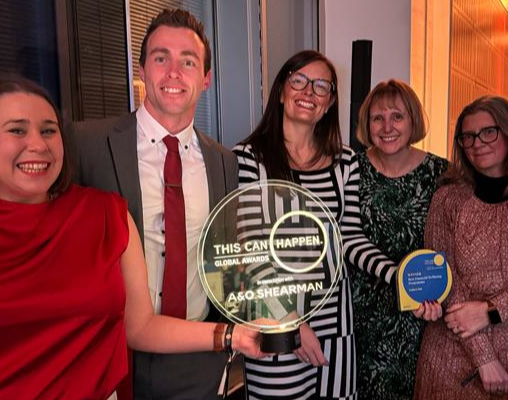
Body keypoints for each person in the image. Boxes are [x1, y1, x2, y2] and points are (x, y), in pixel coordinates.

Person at [0, 75, 263, 400]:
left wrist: (234, 335)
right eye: (17, 130)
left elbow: (139, 327)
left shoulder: (104, 214)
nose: (37, 144)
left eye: (49, 131)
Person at [70, 9, 241, 400]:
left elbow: (225, 258)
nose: (174, 72)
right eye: (161, 58)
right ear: (143, 70)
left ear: (206, 78)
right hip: (111, 359)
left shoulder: (223, 162)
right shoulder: (86, 145)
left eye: (188, 61)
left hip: (199, 356)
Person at [233, 50, 399, 400]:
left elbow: (349, 238)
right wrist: (293, 321)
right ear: (281, 91)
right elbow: (248, 252)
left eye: (321, 86)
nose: (309, 92)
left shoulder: (345, 163)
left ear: (329, 102)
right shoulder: (249, 159)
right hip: (276, 325)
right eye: (299, 80)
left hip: (336, 325)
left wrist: (396, 275)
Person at [414, 96, 508, 400]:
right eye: (467, 136)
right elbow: (443, 278)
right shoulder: (447, 200)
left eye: (489, 132)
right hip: (453, 355)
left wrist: (492, 311)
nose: (477, 143)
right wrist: (485, 357)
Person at [350, 79, 448, 400]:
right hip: (360, 316)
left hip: (419, 314)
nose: (387, 126)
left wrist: (441, 298)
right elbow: (343, 236)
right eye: (378, 118)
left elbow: (452, 244)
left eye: (397, 116)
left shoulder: (442, 173)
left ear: (413, 121)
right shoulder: (351, 169)